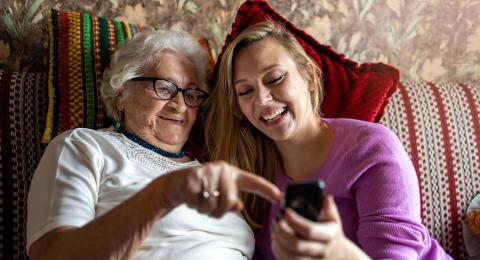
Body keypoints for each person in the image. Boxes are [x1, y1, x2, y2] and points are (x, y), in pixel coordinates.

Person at [26, 29, 282, 260]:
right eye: (164, 87)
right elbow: (52, 253)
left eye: (191, 94)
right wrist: (160, 196)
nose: (179, 105)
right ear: (121, 95)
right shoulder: (84, 147)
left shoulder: (210, 169)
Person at [205, 21, 452, 259]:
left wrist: (337, 252)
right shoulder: (250, 170)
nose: (261, 100)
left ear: (309, 77)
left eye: (275, 78)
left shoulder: (371, 148)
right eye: (245, 91)